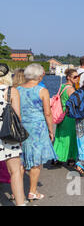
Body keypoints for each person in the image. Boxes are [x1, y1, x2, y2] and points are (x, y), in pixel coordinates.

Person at [17, 63, 57, 201]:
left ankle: (18, 191)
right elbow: (47, 113)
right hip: (37, 129)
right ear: (39, 76)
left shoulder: (17, 89)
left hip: (21, 127)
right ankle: (32, 191)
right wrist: (51, 130)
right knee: (36, 161)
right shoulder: (42, 90)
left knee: (21, 160)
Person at [0, 63, 26, 206]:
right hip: (8, 135)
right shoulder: (12, 91)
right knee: (15, 171)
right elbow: (17, 116)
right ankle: (20, 203)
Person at [53, 68, 79, 167]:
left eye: (78, 76)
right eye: (75, 77)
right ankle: (70, 157)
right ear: (68, 77)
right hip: (69, 116)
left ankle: (58, 156)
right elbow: (76, 103)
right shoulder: (71, 89)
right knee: (70, 137)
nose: (77, 79)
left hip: (62, 114)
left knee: (60, 136)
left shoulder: (62, 86)